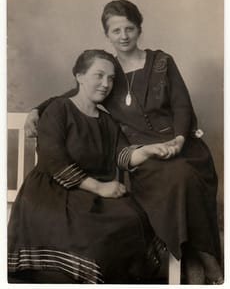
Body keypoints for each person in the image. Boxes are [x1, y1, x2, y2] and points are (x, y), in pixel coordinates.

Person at [24, 0, 224, 284]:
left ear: (139, 28)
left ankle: (199, 262)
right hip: (143, 159)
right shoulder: (109, 72)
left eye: (129, 28)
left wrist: (179, 140)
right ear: (107, 34)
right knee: (178, 179)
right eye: (116, 30)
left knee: (185, 173)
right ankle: (205, 263)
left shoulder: (161, 61)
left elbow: (182, 106)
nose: (124, 35)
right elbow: (72, 92)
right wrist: (36, 110)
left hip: (181, 148)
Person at [8, 49, 170, 284]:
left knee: (133, 218)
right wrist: (99, 187)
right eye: (99, 75)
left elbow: (122, 156)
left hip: (91, 194)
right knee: (97, 236)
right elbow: (53, 161)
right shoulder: (59, 110)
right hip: (53, 192)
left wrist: (146, 150)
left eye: (111, 78)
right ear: (79, 76)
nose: (106, 84)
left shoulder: (106, 120)